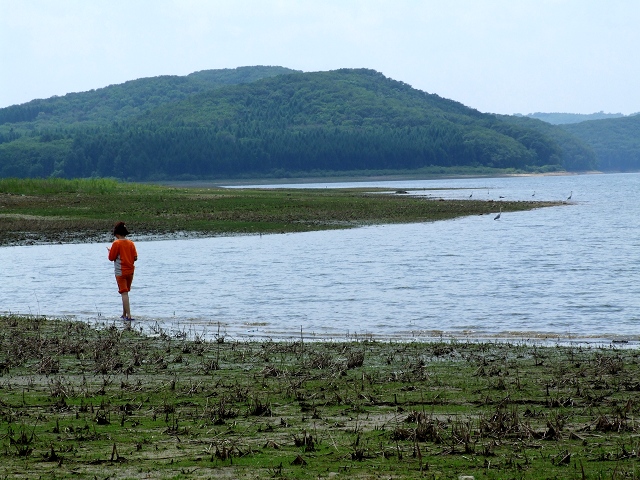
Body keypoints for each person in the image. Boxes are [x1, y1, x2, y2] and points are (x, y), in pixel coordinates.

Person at [107, 222, 138, 321]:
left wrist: (110, 251)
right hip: (130, 271)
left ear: (116, 233)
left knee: (124, 293)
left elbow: (111, 258)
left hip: (120, 272)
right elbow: (135, 257)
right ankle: (124, 314)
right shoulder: (131, 243)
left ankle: (128, 315)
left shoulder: (116, 243)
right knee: (126, 292)